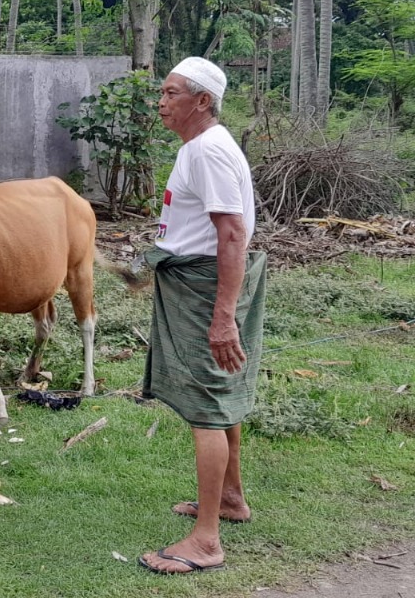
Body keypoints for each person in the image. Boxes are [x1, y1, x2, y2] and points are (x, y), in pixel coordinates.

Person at [138, 56, 266, 576]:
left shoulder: (208, 152)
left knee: (208, 405)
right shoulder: (202, 147)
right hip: (197, 282)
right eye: (162, 93)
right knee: (219, 395)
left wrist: (223, 317)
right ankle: (230, 498)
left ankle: (207, 540)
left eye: (171, 93)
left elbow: (231, 234)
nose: (161, 102)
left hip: (205, 288)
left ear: (202, 101)